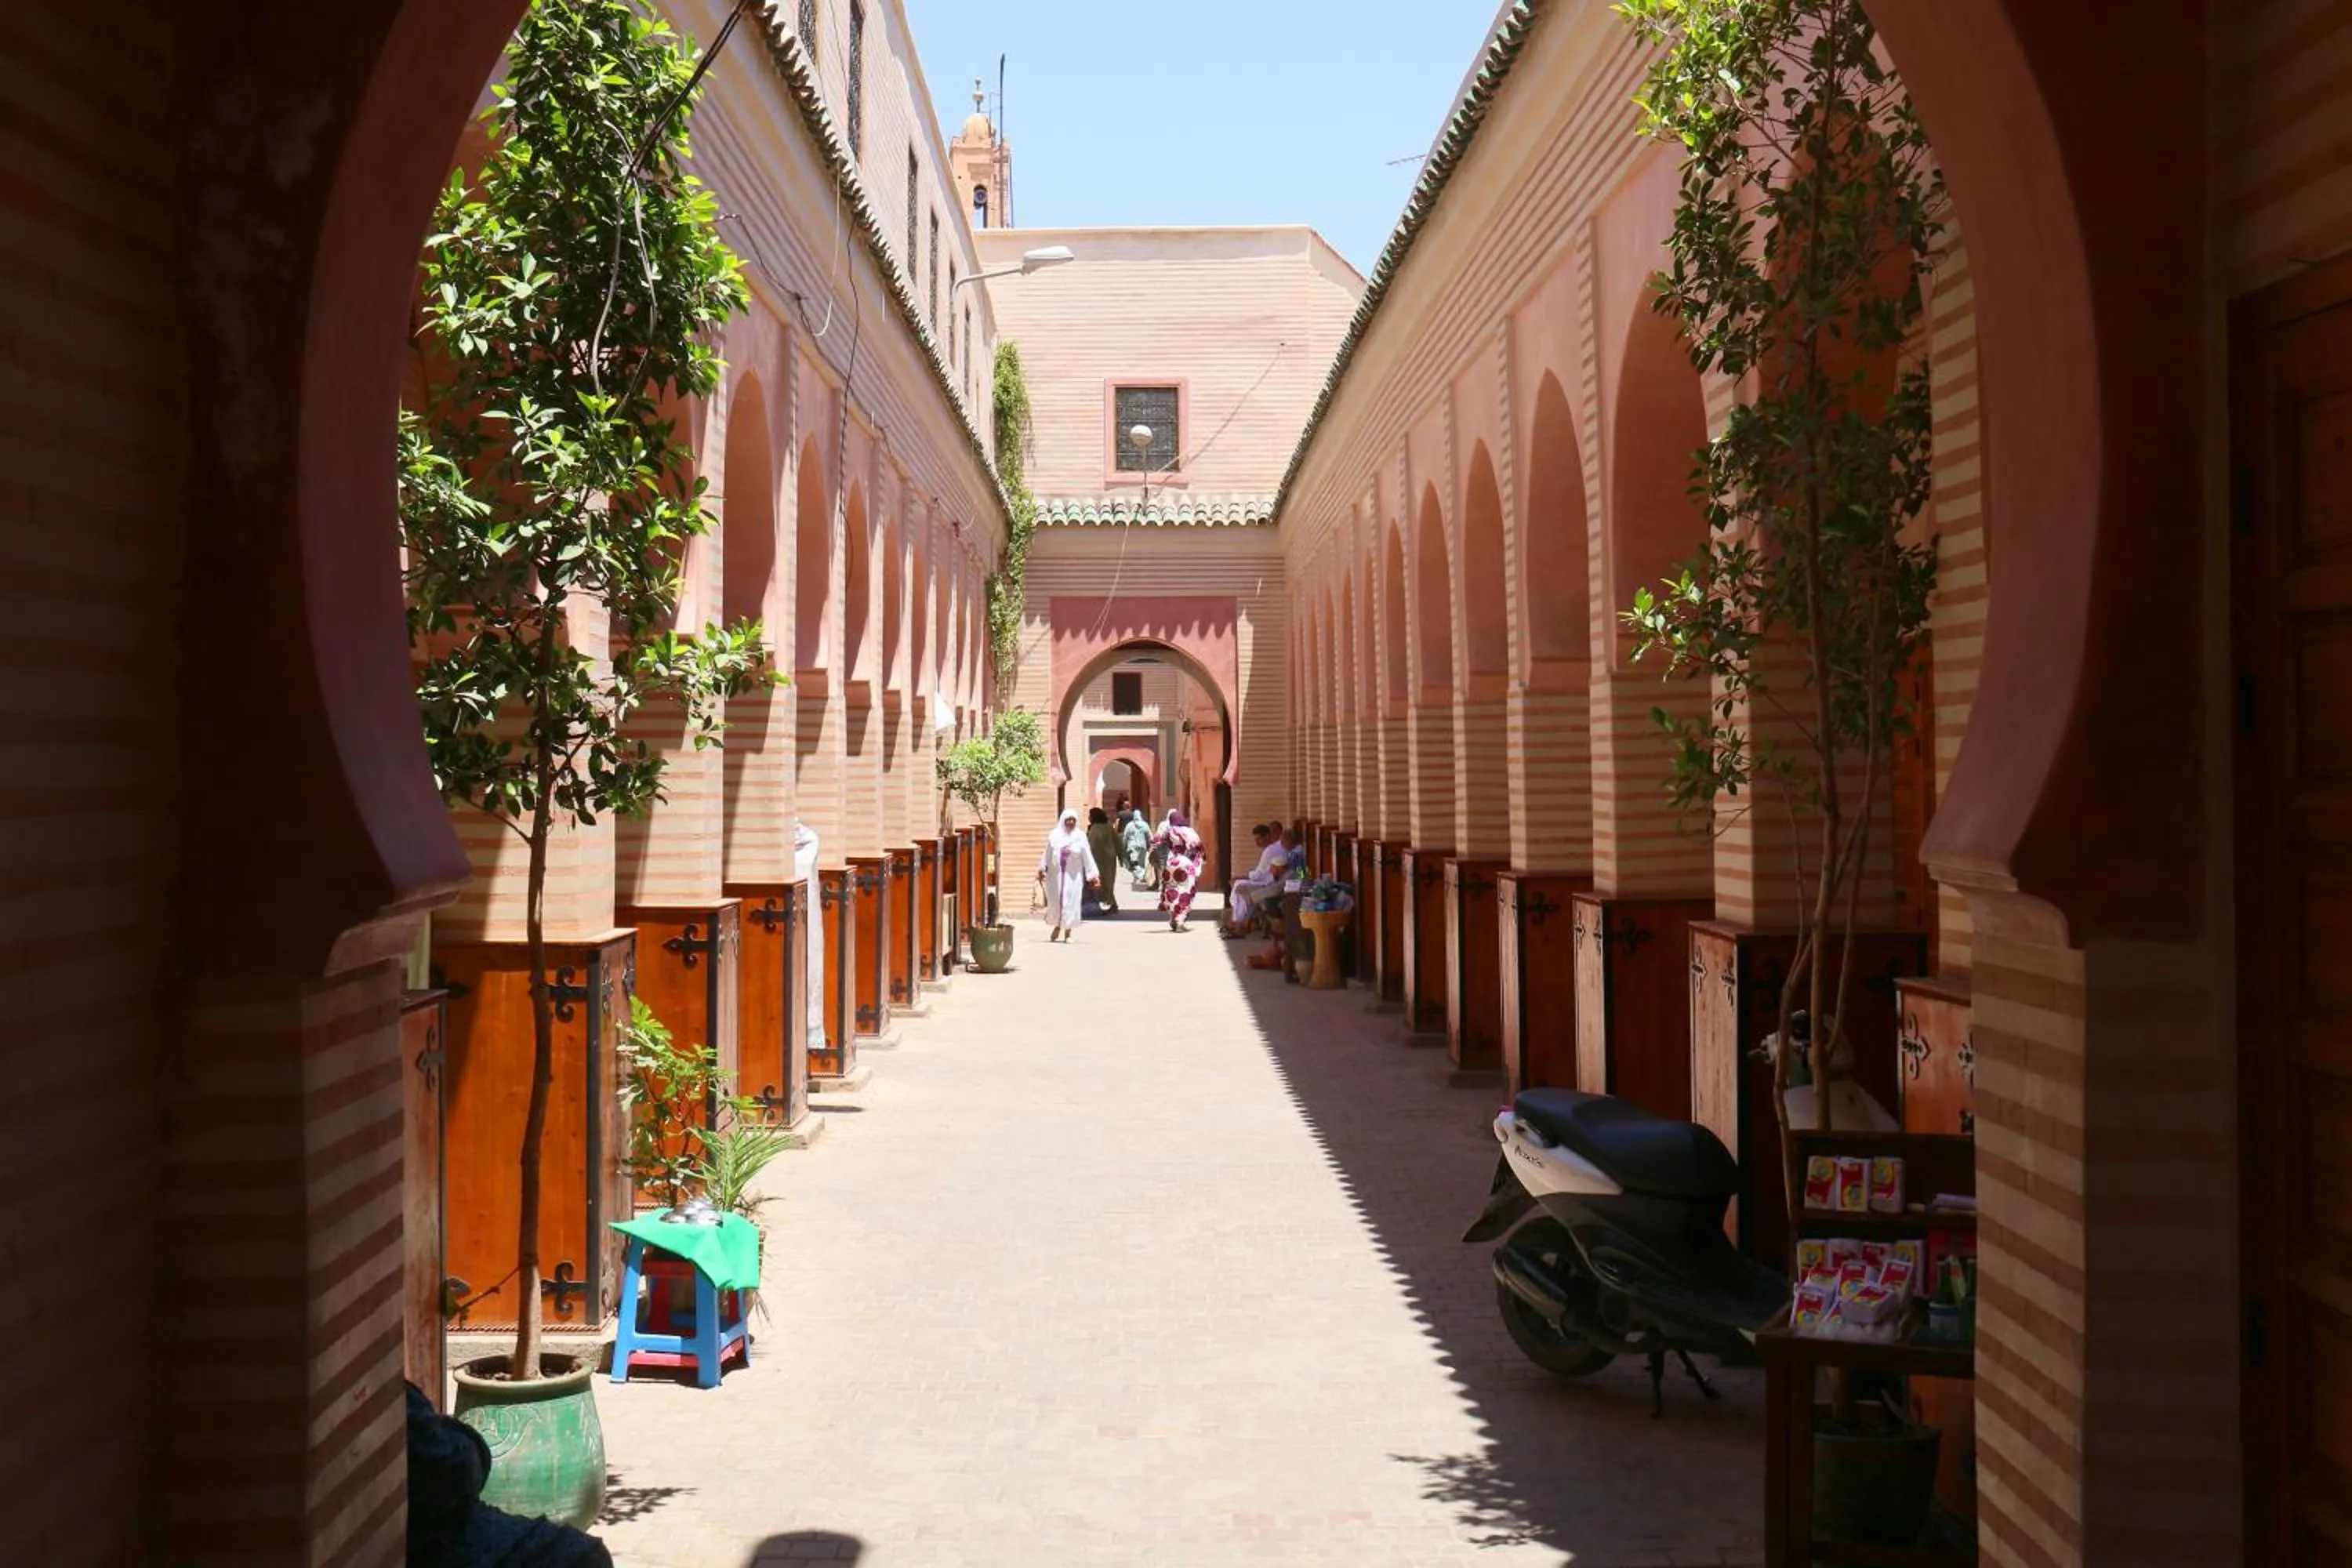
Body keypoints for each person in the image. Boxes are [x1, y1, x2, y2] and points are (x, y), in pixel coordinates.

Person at [1035, 808, 1101, 943]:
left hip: (1073, 877)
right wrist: (1042, 868)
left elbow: (1087, 856)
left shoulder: (1080, 836)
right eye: (1068, 820)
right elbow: (1047, 853)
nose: (1070, 822)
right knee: (1057, 902)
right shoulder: (1054, 835)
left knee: (1071, 902)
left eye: (1073, 820)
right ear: (1063, 820)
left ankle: (1068, 931)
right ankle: (1057, 926)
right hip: (1056, 876)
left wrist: (1093, 875)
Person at [1223, 822, 1287, 938]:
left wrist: (1241, 877)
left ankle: (1239, 923)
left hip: (1269, 884)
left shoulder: (1272, 850)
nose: (1257, 842)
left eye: (1259, 839)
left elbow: (1259, 874)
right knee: (1242, 889)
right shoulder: (1275, 849)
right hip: (1269, 882)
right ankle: (1241, 924)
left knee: (1240, 887)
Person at [1152, 808, 1207, 931]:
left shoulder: (1169, 831)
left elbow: (1155, 843)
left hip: (1170, 864)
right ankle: (1179, 920)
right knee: (1185, 891)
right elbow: (1198, 847)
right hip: (1185, 864)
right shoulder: (1189, 831)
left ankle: (1172, 918)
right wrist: (1200, 861)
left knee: (1171, 890)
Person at [1085, 807, 1123, 915]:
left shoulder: (1095, 828)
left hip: (1098, 858)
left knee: (1099, 882)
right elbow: (1117, 841)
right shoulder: (1109, 826)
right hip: (1110, 858)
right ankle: (1112, 904)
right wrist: (1121, 855)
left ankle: (1101, 904)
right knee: (1109, 882)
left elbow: (1091, 845)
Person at [1119, 804, 1150, 887]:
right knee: (1141, 863)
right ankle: (1140, 877)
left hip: (1132, 847)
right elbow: (1149, 836)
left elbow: (1125, 837)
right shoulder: (1145, 825)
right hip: (1142, 846)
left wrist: (1124, 846)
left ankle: (1138, 877)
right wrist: (1149, 845)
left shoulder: (1129, 825)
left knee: (1134, 863)